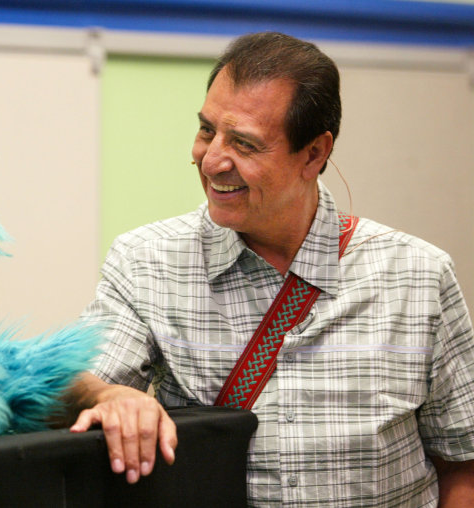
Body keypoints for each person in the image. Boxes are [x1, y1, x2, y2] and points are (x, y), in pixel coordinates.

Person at [65, 32, 474, 506]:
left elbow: (462, 461)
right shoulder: (147, 263)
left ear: (314, 154)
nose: (212, 160)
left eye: (244, 143)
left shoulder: (418, 276)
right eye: (206, 130)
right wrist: (109, 398)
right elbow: (70, 385)